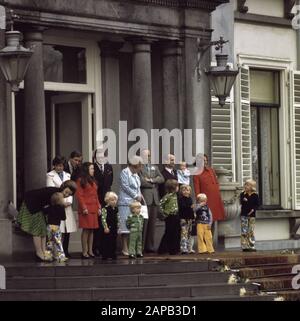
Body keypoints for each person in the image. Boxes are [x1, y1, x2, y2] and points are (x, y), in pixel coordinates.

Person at [16, 180, 77, 261]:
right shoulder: (57, 195)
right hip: (32, 205)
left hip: (38, 207)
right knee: (37, 230)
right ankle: (40, 253)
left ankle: (44, 253)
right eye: (66, 192)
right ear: (63, 187)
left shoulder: (57, 194)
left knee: (43, 232)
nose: (66, 195)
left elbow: (47, 209)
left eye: (69, 194)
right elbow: (61, 216)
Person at [46, 155, 77, 258]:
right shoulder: (50, 175)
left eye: (62, 166)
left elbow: (71, 188)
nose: (60, 168)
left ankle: (66, 251)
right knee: (58, 231)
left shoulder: (67, 175)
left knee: (67, 230)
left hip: (67, 205)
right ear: (54, 166)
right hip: (57, 205)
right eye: (58, 166)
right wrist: (61, 202)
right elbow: (51, 190)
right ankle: (56, 253)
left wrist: (69, 201)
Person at [139, 149, 164, 253]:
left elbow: (161, 179)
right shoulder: (139, 167)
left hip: (155, 198)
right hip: (145, 197)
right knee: (144, 223)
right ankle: (141, 246)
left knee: (152, 224)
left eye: (149, 155)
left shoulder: (155, 167)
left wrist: (151, 180)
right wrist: (153, 183)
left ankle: (150, 246)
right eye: (145, 155)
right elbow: (141, 182)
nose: (147, 157)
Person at [118, 156, 143, 256]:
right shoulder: (125, 172)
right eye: (141, 165)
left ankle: (133, 248)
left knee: (134, 226)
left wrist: (139, 197)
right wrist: (135, 195)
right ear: (136, 165)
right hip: (125, 203)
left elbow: (138, 188)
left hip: (135, 203)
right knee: (125, 225)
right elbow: (125, 186)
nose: (142, 167)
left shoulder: (136, 175)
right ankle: (125, 248)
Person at [76, 162, 101, 259]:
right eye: (91, 169)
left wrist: (99, 206)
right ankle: (84, 252)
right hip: (86, 209)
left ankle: (90, 251)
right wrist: (84, 207)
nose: (93, 170)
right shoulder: (80, 180)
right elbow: (79, 195)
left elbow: (96, 195)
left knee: (92, 230)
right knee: (86, 230)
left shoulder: (93, 180)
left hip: (94, 207)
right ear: (86, 170)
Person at [93, 148, 114, 257]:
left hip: (106, 198)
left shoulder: (109, 167)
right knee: (97, 224)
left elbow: (110, 182)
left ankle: (104, 247)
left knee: (106, 222)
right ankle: (95, 247)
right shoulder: (92, 167)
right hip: (96, 199)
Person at [157, 179, 181, 255]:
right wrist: (164, 213)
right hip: (170, 216)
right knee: (169, 232)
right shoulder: (167, 196)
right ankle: (163, 249)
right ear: (173, 187)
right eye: (177, 186)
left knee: (176, 232)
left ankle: (175, 249)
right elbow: (160, 204)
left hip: (176, 215)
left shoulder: (177, 196)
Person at [44, 192, 67, 262]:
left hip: (49, 226)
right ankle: (61, 257)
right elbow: (64, 218)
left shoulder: (49, 207)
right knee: (58, 242)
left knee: (49, 242)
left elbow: (44, 211)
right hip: (56, 226)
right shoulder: (61, 208)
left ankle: (48, 257)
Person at [240, 179, 259, 252]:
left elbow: (257, 204)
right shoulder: (243, 194)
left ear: (252, 187)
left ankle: (251, 245)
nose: (245, 186)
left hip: (252, 215)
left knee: (251, 230)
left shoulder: (255, 195)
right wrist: (243, 200)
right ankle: (244, 246)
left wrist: (253, 209)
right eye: (245, 184)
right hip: (244, 214)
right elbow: (241, 202)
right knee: (244, 230)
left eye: (247, 185)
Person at [101, 192, 119, 260]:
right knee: (106, 241)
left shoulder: (116, 209)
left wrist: (118, 226)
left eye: (115, 200)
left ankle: (112, 254)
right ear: (107, 201)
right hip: (108, 227)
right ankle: (105, 254)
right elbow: (103, 218)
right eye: (112, 200)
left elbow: (118, 217)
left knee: (113, 241)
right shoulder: (105, 209)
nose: (114, 202)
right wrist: (105, 227)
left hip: (114, 227)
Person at [178, 185, 194, 254]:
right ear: (181, 191)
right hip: (183, 218)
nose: (186, 192)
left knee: (189, 234)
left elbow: (191, 210)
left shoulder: (190, 199)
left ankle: (189, 248)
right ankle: (183, 248)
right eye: (184, 190)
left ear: (190, 192)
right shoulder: (181, 199)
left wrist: (193, 217)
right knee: (183, 233)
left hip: (190, 218)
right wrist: (190, 207)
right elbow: (183, 208)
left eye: (187, 190)